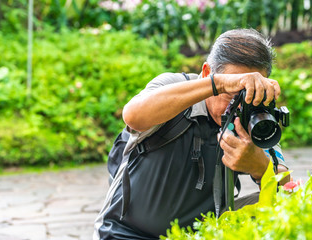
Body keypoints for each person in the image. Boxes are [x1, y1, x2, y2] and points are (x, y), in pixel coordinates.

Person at [94, 28, 290, 240]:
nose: (238, 106)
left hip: (201, 235)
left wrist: (259, 167)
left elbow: (286, 186)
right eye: (233, 94)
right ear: (206, 72)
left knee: (284, 203)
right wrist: (220, 84)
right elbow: (133, 116)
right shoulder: (174, 87)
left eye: (245, 94)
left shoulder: (255, 115)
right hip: (126, 233)